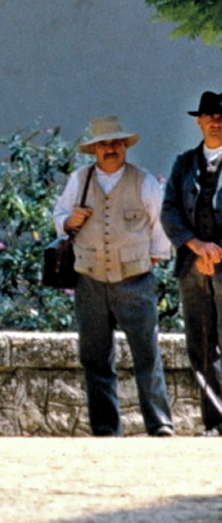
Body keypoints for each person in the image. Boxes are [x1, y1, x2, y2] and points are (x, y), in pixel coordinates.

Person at [53, 116, 174, 437]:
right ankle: (106, 428)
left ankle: (160, 423)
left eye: (117, 143)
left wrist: (155, 257)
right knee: (94, 358)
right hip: (89, 279)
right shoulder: (79, 180)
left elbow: (159, 224)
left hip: (136, 280)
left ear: (125, 147)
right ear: (94, 149)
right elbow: (59, 216)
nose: (112, 149)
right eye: (106, 144)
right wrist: (69, 221)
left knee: (146, 354)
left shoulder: (143, 181)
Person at [161, 91, 222, 435]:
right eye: (210, 115)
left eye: (221, 116)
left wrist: (217, 251)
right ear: (199, 121)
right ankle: (214, 421)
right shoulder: (184, 163)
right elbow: (169, 209)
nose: (216, 120)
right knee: (200, 345)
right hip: (192, 265)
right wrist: (196, 246)